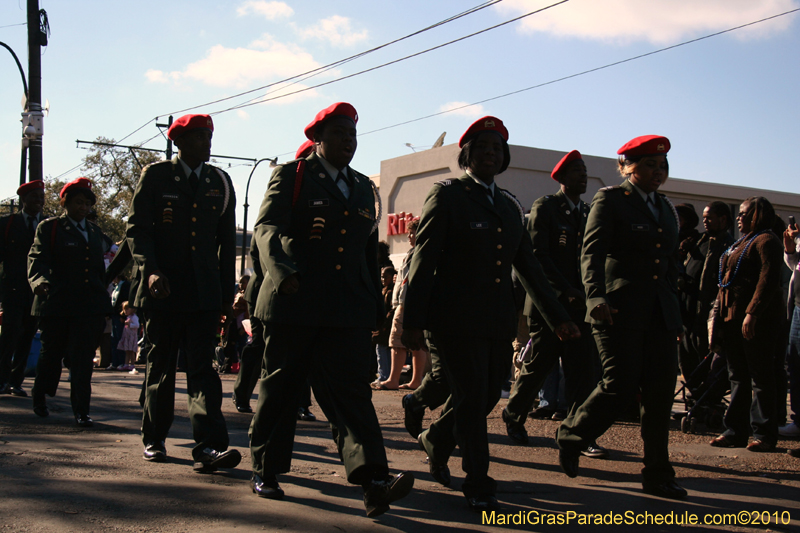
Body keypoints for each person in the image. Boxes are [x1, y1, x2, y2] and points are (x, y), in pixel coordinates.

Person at [402, 116, 579, 512]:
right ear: (466, 155)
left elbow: (529, 268)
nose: (489, 154)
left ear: (505, 157)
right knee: (471, 396)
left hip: (496, 321)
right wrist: (412, 321)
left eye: (497, 149)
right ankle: (478, 482)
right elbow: (423, 263)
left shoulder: (509, 205)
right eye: (481, 147)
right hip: (453, 319)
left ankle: (436, 438)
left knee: (481, 399)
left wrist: (558, 318)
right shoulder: (447, 195)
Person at [248, 102, 413, 517]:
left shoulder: (361, 186)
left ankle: (374, 479)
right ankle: (266, 470)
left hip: (344, 309)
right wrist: (281, 271)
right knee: (282, 388)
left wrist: (373, 305)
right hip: (294, 301)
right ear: (318, 139)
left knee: (352, 394)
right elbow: (267, 227)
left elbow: (362, 253)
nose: (348, 142)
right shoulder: (293, 175)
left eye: (353, 135)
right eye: (339, 134)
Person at [555, 135, 687, 500]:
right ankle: (573, 434)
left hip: (661, 314)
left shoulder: (665, 207)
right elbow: (591, 253)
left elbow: (670, 263)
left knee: (660, 394)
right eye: (649, 165)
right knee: (620, 386)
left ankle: (658, 473)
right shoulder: (611, 200)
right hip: (618, 310)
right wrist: (594, 296)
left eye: (662, 166)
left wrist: (676, 313)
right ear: (626, 166)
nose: (658, 172)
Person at [127, 113, 241, 472]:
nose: (207, 143)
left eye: (209, 136)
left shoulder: (219, 181)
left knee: (202, 370)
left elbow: (226, 244)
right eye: (199, 138)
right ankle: (154, 438)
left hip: (203, 294)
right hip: (163, 290)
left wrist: (225, 296)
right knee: (161, 367)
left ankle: (208, 446)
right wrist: (150, 271)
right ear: (179, 142)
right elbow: (138, 230)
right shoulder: (157, 176)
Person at [502, 150, 606, 459]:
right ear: (560, 178)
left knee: (582, 372)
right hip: (549, 307)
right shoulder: (546, 208)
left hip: (581, 306)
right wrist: (565, 290)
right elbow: (537, 258)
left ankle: (578, 432)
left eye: (585, 172)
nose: (583, 177)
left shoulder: (587, 213)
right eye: (576, 172)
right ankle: (514, 415)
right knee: (538, 367)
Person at [28, 177, 112, 426]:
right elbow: (37, 259)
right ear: (66, 203)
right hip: (58, 303)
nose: (83, 208)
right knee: (51, 354)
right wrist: (40, 282)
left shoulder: (96, 232)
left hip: (88, 307)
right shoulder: (50, 227)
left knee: (83, 358)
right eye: (78, 202)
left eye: (87, 203)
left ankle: (81, 409)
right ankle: (40, 395)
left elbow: (102, 267)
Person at [709, 197, 783, 452]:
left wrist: (752, 313)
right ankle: (734, 432)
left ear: (758, 214)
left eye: (744, 213)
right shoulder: (742, 241)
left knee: (760, 377)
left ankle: (763, 434)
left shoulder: (767, 240)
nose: (739, 217)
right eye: (739, 213)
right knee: (737, 377)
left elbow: (768, 280)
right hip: (732, 320)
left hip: (756, 322)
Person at [0, 180, 44, 397]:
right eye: (34, 196)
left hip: (35, 293)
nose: (39, 201)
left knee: (27, 335)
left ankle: (16, 382)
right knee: (10, 333)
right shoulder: (7, 223)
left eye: (41, 197)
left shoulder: (47, 225)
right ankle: (2, 379)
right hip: (12, 289)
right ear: (23, 199)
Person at [376, 219, 428, 390]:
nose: (409, 236)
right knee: (415, 344)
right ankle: (415, 380)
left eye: (413, 232)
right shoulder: (416, 252)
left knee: (397, 342)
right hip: (407, 302)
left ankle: (393, 379)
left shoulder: (418, 253)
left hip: (406, 303)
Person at [782, 217, 800, 441]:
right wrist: (790, 248)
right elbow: (795, 264)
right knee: (795, 364)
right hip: (797, 307)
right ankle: (798, 420)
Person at [372, 266, 397, 383]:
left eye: (385, 277)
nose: (382, 279)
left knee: (382, 351)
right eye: (381, 276)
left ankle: (384, 375)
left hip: (386, 326)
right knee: (382, 351)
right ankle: (384, 374)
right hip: (384, 325)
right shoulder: (384, 290)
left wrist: (385, 324)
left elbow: (390, 310)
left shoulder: (390, 292)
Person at [117, 301, 140, 374]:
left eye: (127, 309)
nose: (125, 311)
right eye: (124, 309)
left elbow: (137, 325)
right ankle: (126, 364)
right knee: (127, 350)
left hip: (132, 337)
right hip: (127, 336)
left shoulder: (134, 317)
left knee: (131, 351)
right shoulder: (128, 317)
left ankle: (132, 364)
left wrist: (130, 324)